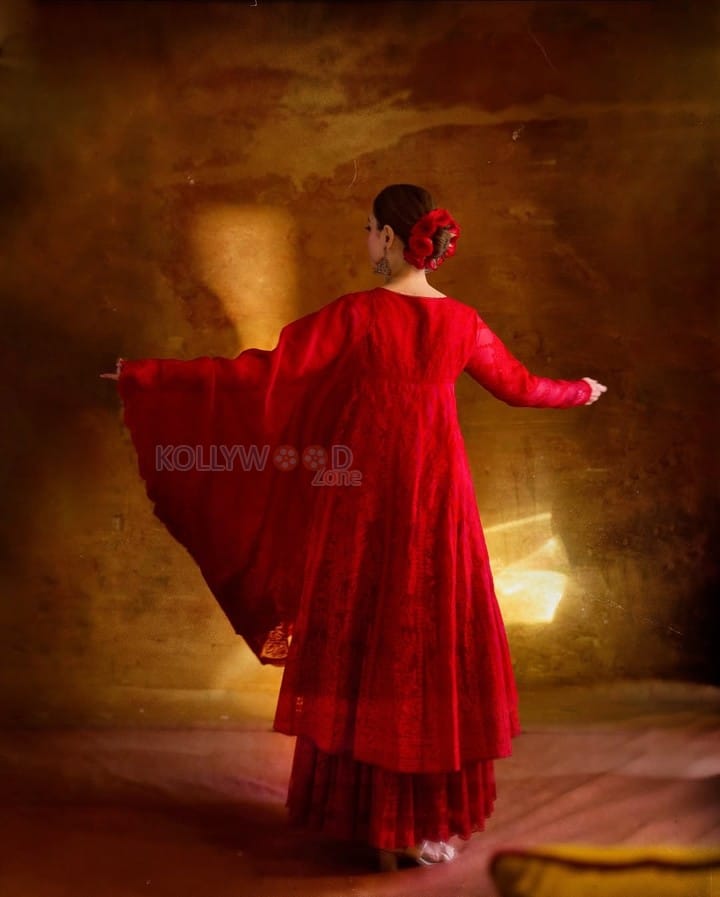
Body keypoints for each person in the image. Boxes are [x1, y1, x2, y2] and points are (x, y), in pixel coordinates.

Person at [101, 183, 606, 871]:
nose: (367, 239)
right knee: (429, 643)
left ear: (392, 238)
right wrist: (580, 390)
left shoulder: (357, 314)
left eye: (370, 228)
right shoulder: (463, 322)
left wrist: (149, 376)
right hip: (438, 503)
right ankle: (425, 823)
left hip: (365, 506)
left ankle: (375, 820)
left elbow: (260, 376)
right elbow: (521, 387)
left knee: (368, 644)